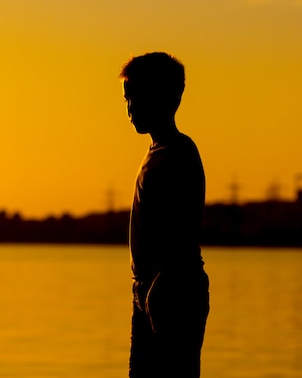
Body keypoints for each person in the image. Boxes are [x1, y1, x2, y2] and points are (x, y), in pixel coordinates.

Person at [120, 52, 209, 378]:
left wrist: (161, 284)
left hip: (172, 288)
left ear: (160, 97)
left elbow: (183, 229)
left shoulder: (178, 153)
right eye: (126, 99)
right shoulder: (157, 152)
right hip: (148, 289)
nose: (129, 108)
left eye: (135, 98)